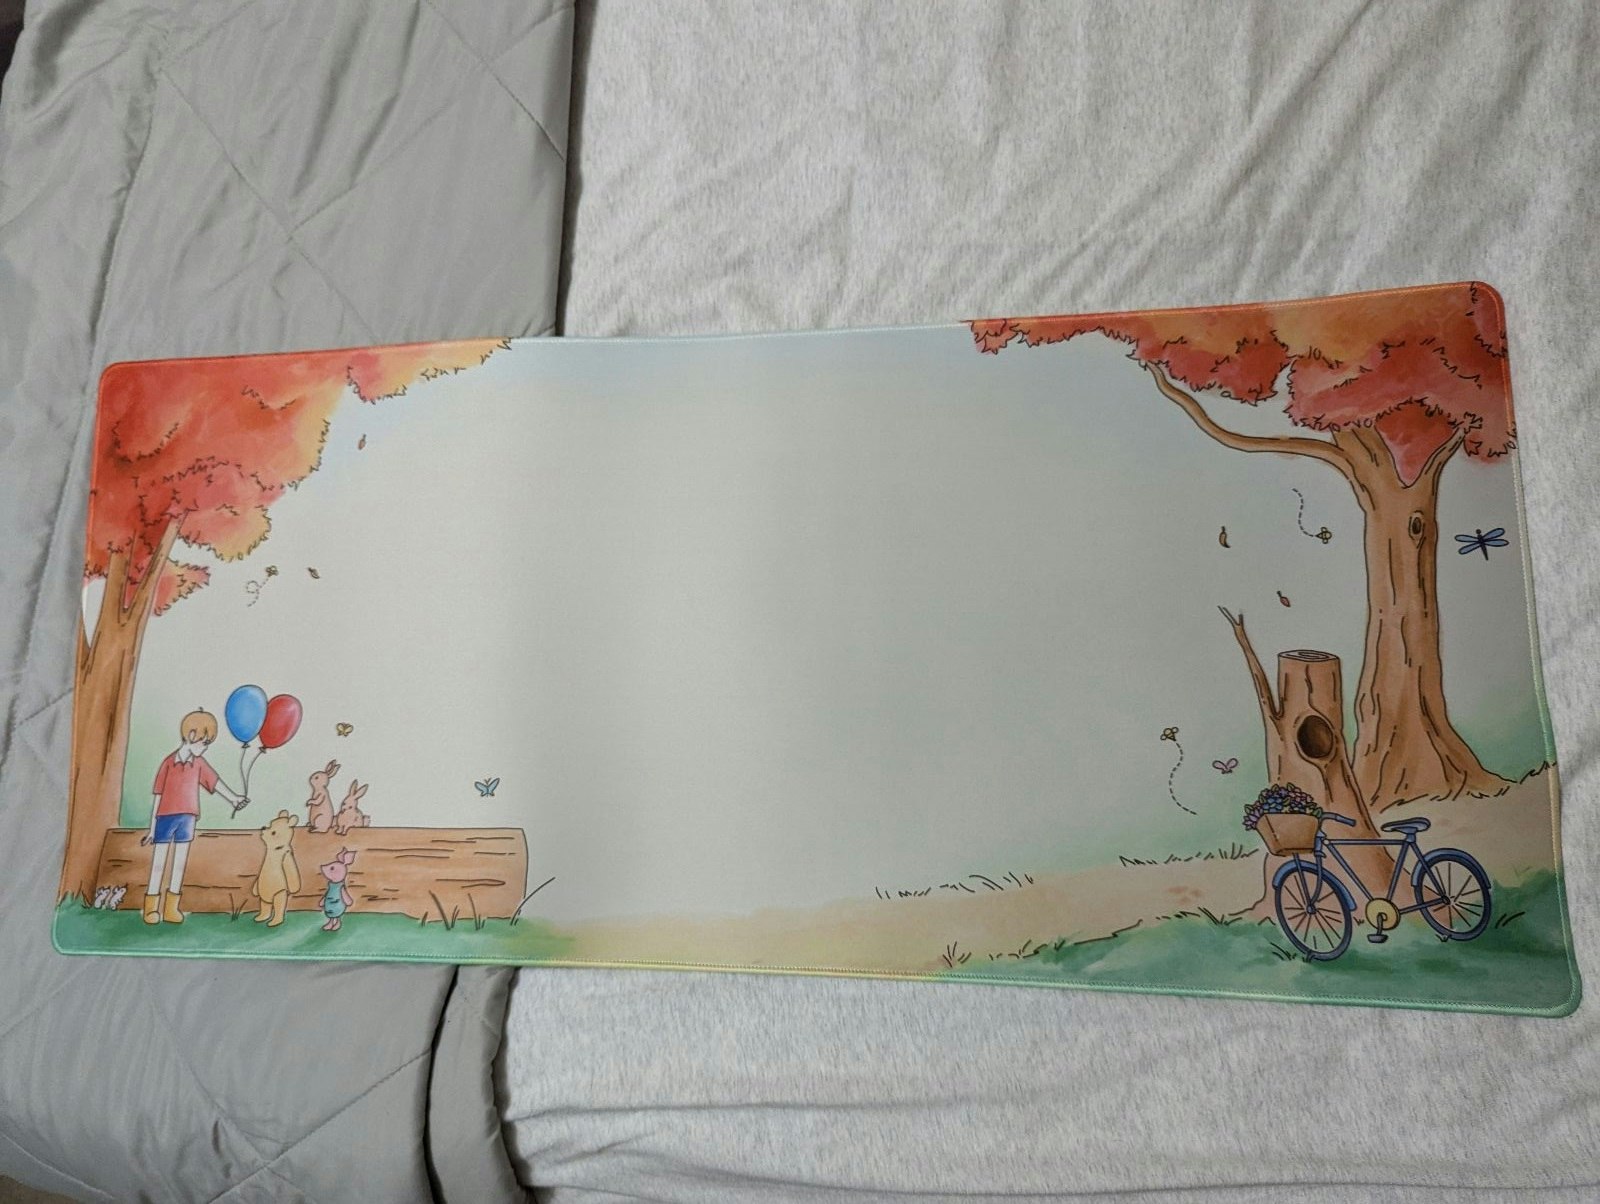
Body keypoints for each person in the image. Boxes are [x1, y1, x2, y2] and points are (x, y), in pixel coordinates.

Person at [141, 708, 248, 924]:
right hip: (165, 817)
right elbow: (158, 795)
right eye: (204, 742)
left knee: (179, 864)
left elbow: (215, 783)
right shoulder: (168, 763)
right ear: (191, 736)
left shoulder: (199, 764)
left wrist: (234, 799)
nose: (205, 748)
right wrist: (152, 829)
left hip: (187, 818)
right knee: (159, 863)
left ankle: (171, 909)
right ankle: (151, 908)